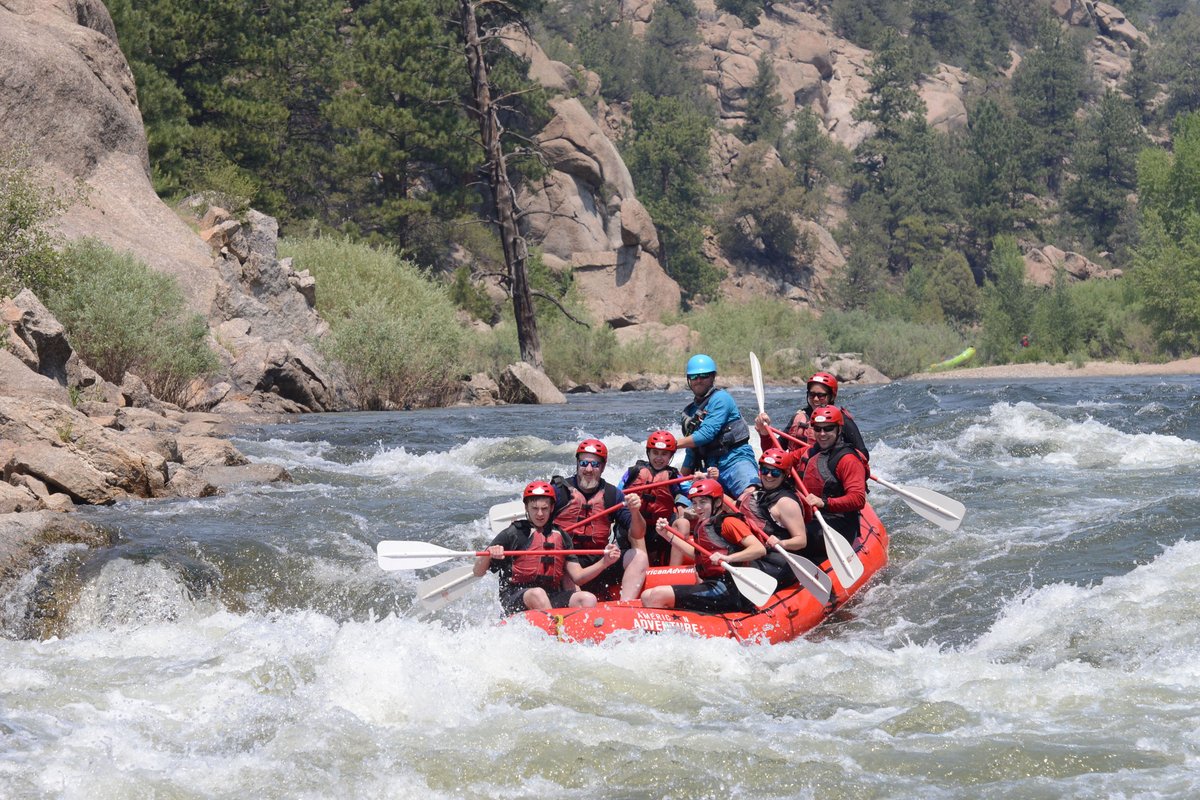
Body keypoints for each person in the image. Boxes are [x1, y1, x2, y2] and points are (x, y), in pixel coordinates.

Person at [473, 480, 621, 615]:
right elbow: (478, 571)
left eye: (544, 508)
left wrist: (605, 562)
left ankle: (578, 635)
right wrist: (488, 554)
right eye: (535, 508)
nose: (539, 514)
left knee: (587, 598)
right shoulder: (513, 533)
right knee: (537, 594)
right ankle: (557, 635)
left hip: (550, 596)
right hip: (515, 598)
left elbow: (578, 577)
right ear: (526, 507)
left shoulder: (561, 536)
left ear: (551, 508)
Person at [641, 478, 767, 613]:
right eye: (694, 503)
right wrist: (666, 534)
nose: (697, 508)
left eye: (703, 502)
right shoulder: (704, 524)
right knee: (646, 595)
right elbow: (696, 554)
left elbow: (759, 549)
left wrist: (729, 558)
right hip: (711, 585)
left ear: (718, 502)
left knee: (656, 596)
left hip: (729, 589)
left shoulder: (729, 522)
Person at [549, 438, 648, 601]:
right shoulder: (558, 492)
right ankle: (577, 604)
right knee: (563, 566)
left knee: (639, 556)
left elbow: (638, 533)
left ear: (602, 467)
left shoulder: (612, 494)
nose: (588, 469)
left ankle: (626, 608)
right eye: (584, 463)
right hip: (566, 563)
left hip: (599, 561)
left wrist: (636, 512)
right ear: (577, 464)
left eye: (594, 464)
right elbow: (538, 523)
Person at [675, 354, 761, 510]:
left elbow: (706, 434)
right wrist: (681, 482)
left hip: (736, 460)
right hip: (710, 468)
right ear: (689, 380)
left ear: (712, 377)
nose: (698, 380)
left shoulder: (722, 399)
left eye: (704, 376)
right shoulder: (690, 412)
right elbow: (691, 452)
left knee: (750, 498)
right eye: (694, 376)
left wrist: (671, 444)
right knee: (683, 506)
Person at [796, 406, 868, 555]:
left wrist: (824, 502)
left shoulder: (848, 460)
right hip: (814, 518)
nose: (822, 434)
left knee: (797, 536)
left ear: (839, 430)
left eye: (828, 429)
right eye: (818, 429)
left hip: (840, 524)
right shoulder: (810, 451)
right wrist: (764, 435)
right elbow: (781, 461)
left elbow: (858, 499)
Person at [616, 430, 692, 567]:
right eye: (655, 453)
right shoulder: (633, 472)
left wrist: (682, 503)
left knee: (682, 523)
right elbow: (617, 495)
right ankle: (640, 568)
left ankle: (673, 572)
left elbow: (692, 492)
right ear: (648, 453)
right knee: (636, 526)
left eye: (664, 454)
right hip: (633, 526)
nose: (659, 458)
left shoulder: (675, 476)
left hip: (660, 527)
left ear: (671, 456)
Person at [754, 370, 869, 458]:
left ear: (832, 397)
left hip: (828, 478)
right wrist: (765, 434)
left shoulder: (842, 420)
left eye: (821, 395)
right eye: (811, 394)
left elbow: (863, 454)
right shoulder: (799, 418)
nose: (815, 399)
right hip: (798, 477)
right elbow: (773, 452)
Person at [747, 448, 814, 587]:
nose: (769, 476)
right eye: (765, 470)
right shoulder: (761, 492)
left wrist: (781, 543)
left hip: (780, 563)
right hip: (761, 554)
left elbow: (801, 541)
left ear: (785, 475)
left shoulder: (786, 504)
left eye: (775, 472)